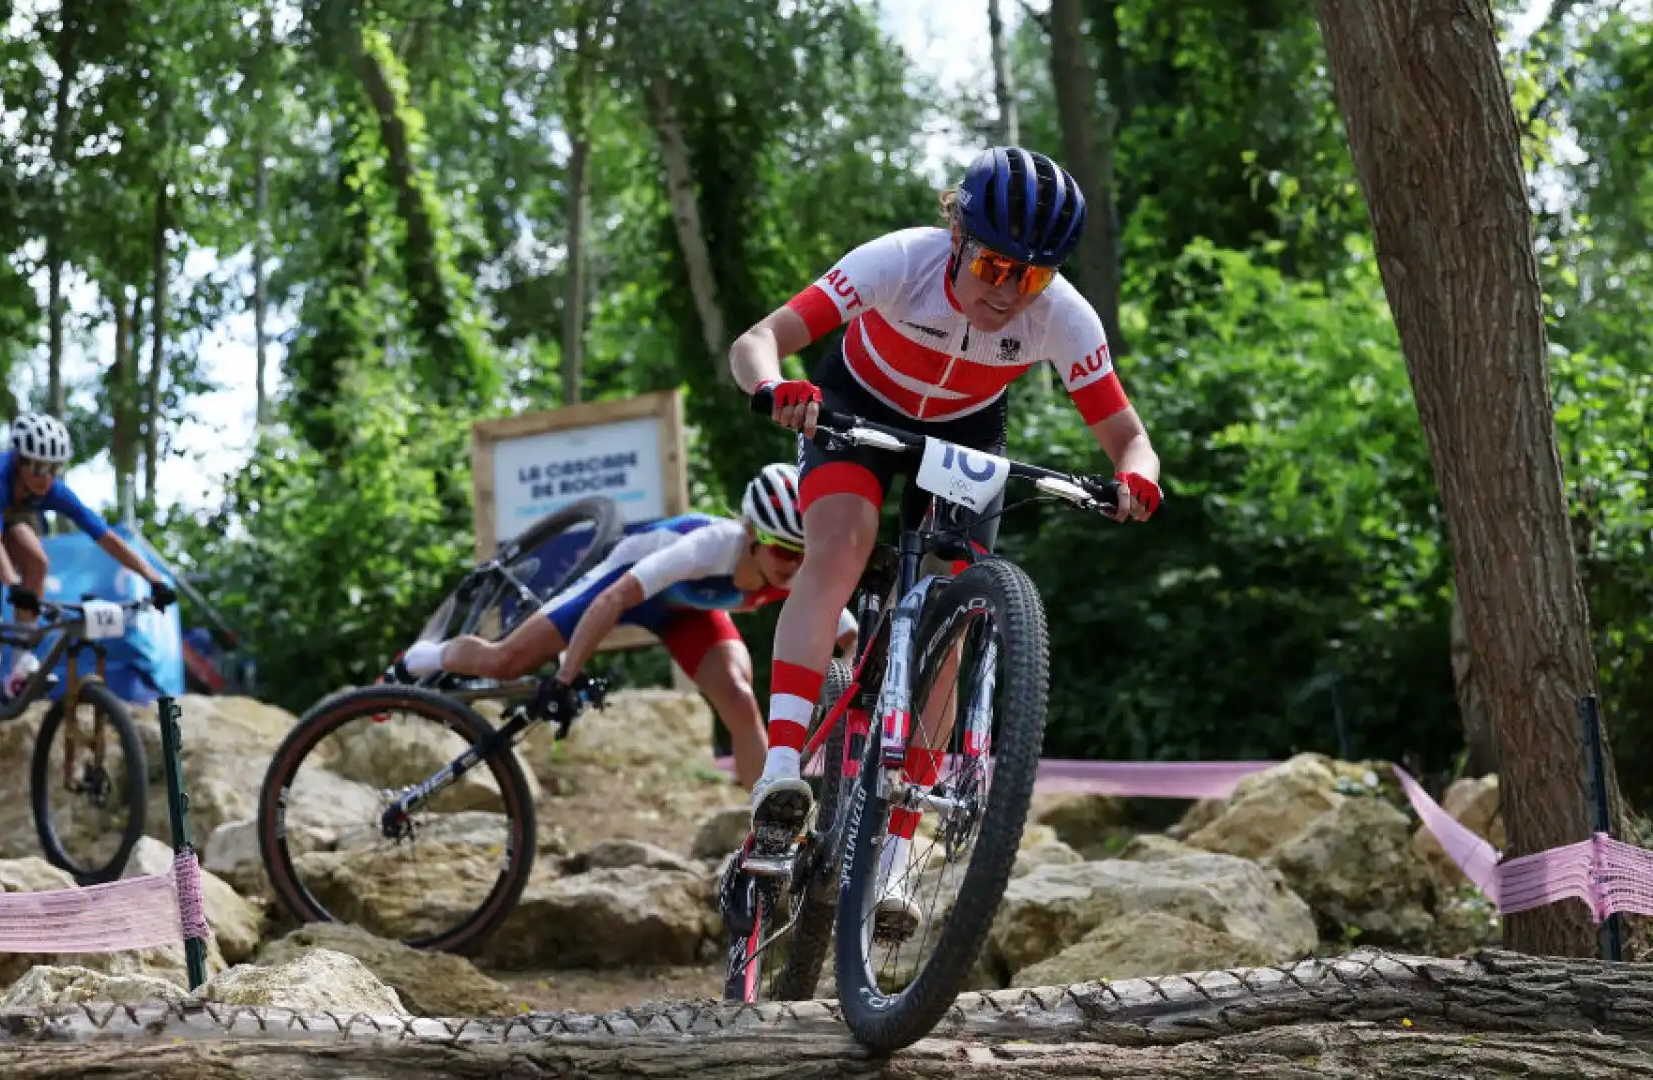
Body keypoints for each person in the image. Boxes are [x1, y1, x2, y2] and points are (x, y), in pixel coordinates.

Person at [727, 146, 1164, 935]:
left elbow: (1130, 439)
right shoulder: (899, 261)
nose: (1006, 293)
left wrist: (1138, 477)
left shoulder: (1064, 316)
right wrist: (775, 386)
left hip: (968, 434)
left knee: (952, 616)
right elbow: (758, 340)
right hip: (853, 408)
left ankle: (896, 854)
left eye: (1029, 277)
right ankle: (784, 768)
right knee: (842, 545)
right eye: (994, 264)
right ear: (957, 234)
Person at [389, 462, 857, 789]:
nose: (792, 565)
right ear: (752, 534)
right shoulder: (708, 546)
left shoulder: (797, 569)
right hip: (621, 590)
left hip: (685, 613)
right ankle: (420, 658)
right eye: (781, 550)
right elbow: (614, 599)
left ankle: (764, 825)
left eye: (802, 554)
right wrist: (565, 677)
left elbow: (848, 636)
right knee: (506, 660)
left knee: (738, 694)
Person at [0, 412, 176, 720]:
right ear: (20, 461)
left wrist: (155, 579)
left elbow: (106, 537)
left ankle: (19, 664)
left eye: (54, 469)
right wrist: (13, 585)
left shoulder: (51, 489)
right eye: (39, 467)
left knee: (37, 561)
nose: (46, 477)